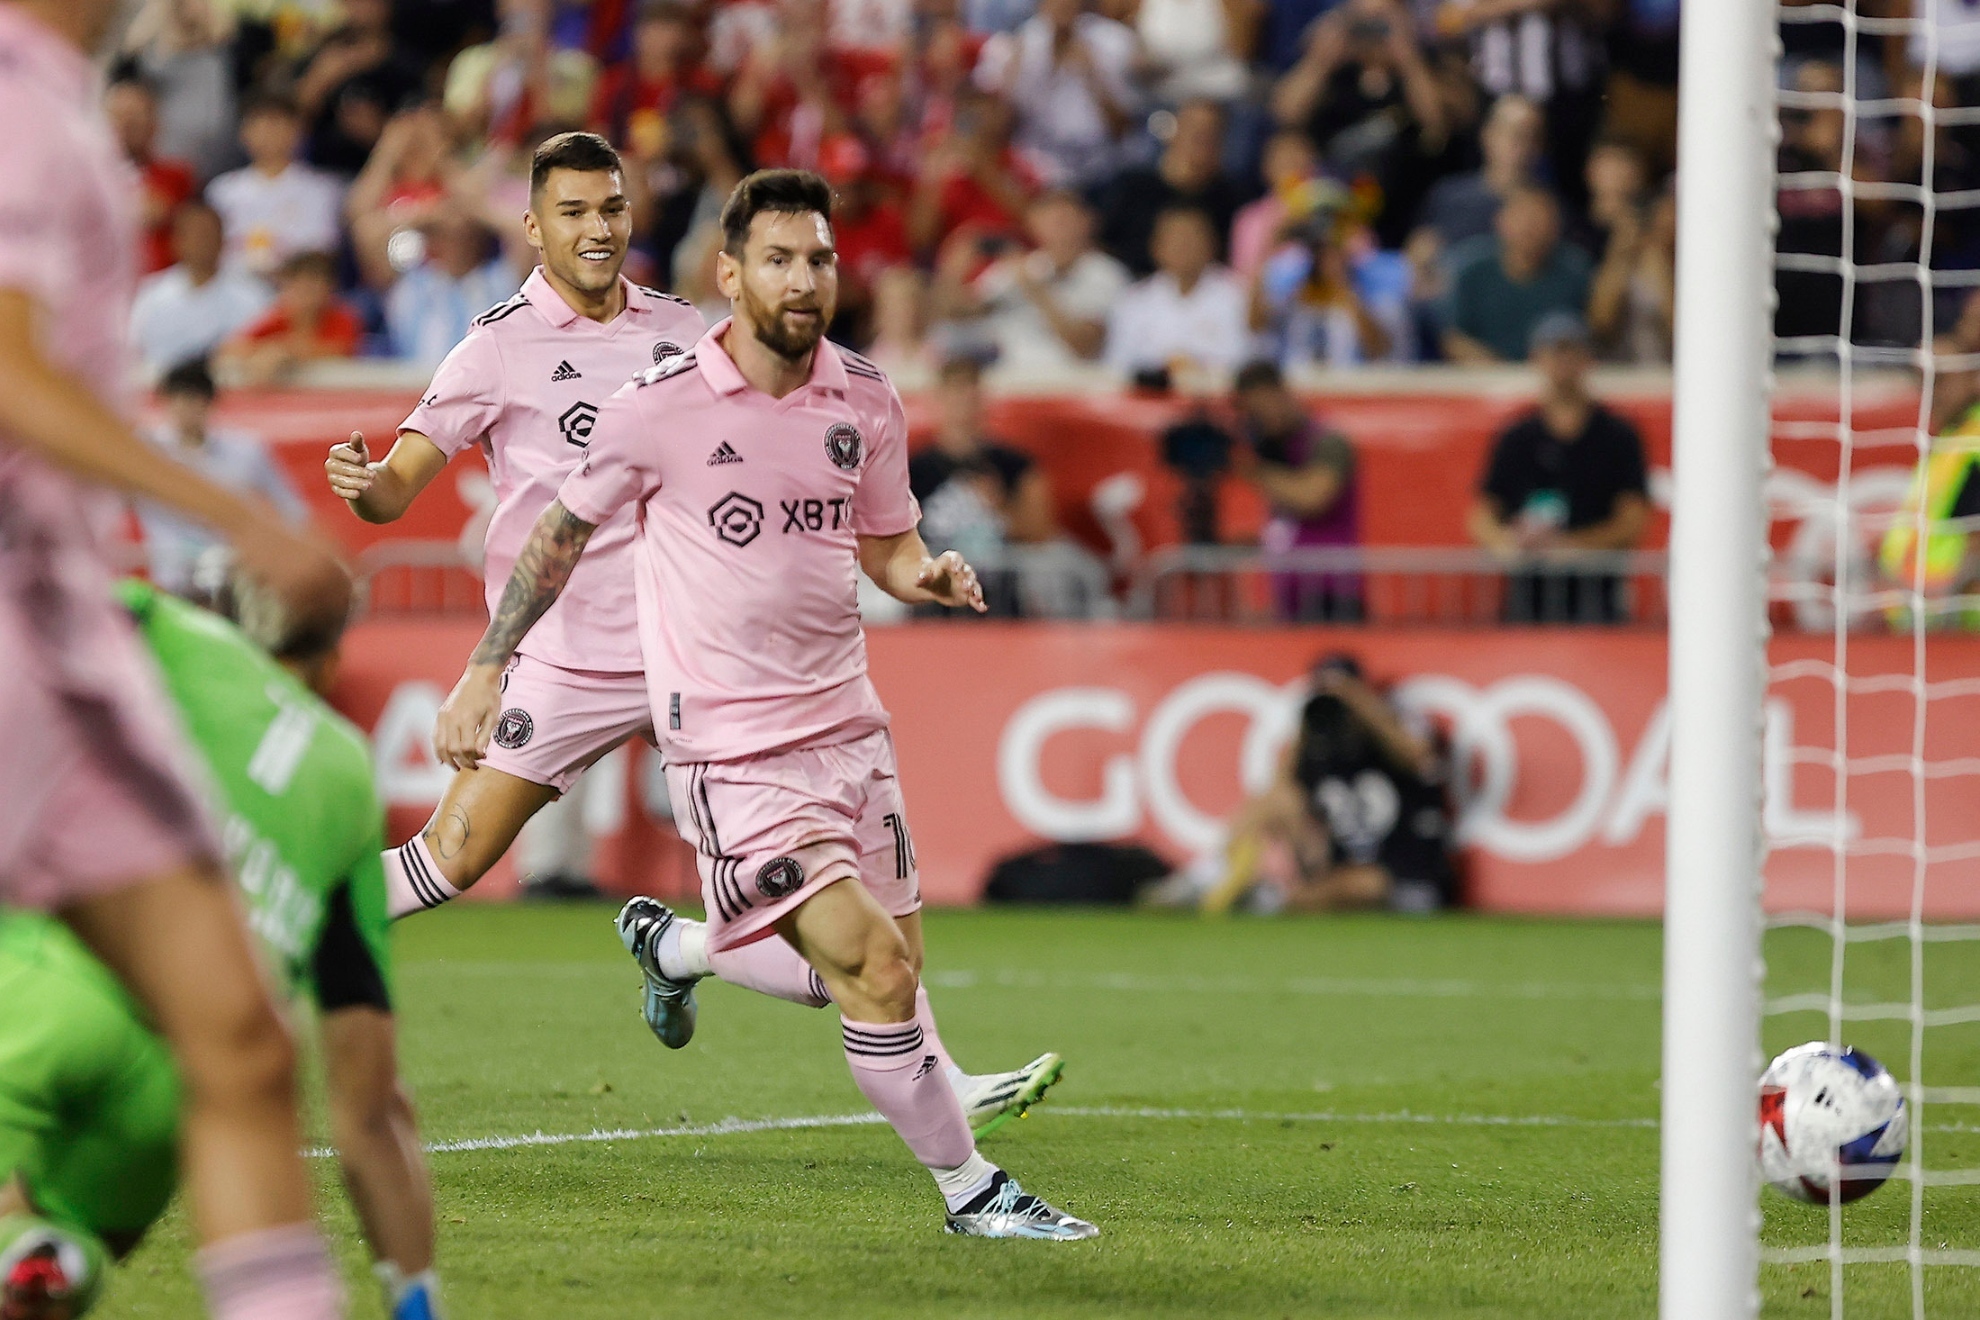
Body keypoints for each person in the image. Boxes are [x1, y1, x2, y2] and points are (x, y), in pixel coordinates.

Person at [322, 139, 1062, 1134]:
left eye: (613, 207)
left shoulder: (685, 334)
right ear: (534, 228)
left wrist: (888, 556)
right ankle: (279, 926)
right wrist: (375, 496)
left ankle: (925, 1071)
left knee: (821, 921)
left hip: (701, 658)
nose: (598, 228)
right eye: (575, 211)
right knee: (449, 858)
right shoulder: (494, 347)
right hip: (570, 654)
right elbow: (403, 479)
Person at [0, 0, 353, 1314]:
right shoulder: (22, 111)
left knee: (243, 1040)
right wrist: (238, 513)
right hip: (26, 631)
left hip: (53, 634)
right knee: (235, 1036)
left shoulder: (55, 102)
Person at [1, 577, 444, 1320]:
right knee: (48, 1238)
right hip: (189, 1070)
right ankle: (41, 1257)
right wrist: (414, 1300)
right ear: (332, 664)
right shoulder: (348, 777)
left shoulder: (162, 631)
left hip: (50, 979)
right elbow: (372, 1109)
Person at [1194, 652, 1456, 914]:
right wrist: (1307, 726)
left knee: (1365, 884)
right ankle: (1213, 874)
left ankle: (1274, 900)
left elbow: (1423, 760)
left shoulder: (1391, 733)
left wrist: (1361, 702)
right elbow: (1279, 788)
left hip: (1401, 870)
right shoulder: (1319, 747)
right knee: (1273, 803)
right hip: (1339, 863)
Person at [1466, 312, 1651, 624]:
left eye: (1570, 350)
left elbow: (1633, 518)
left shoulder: (1617, 436)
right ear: (1536, 359)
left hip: (1597, 599)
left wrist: (1575, 549)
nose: (1562, 362)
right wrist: (1507, 546)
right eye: (1554, 351)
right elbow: (1482, 513)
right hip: (1527, 600)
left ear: (1587, 359)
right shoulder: (1517, 437)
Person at [911, 356, 1108, 618]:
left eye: (969, 395)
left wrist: (1000, 507)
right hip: (937, 588)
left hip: (1009, 585)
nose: (962, 405)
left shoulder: (1015, 465)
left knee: (1062, 567)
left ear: (982, 400)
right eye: (954, 394)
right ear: (937, 400)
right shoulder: (912, 470)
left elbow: (1041, 531)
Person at [137, 360, 310, 597]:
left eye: (193, 399)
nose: (184, 408)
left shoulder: (246, 451)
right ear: (165, 402)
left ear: (209, 402)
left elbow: (293, 510)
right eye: (176, 399)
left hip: (235, 581)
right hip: (173, 583)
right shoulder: (145, 452)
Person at [931, 189, 1128, 373]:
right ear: (1034, 224)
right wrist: (953, 273)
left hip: (1076, 383)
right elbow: (960, 314)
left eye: (1064, 219)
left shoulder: (1104, 273)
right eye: (1049, 219)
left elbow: (1085, 346)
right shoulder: (1020, 266)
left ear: (1086, 222)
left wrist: (1037, 291)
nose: (1057, 228)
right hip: (1014, 380)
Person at [1229, 360, 1362, 621]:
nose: (1261, 419)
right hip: (1289, 595)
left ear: (1280, 393)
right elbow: (1287, 526)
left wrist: (1250, 470)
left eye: (1262, 408)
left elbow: (1313, 497)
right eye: (1252, 414)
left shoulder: (1328, 442)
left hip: (1332, 597)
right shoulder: (1275, 449)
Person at [974, 0, 1140, 189]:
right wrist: (1012, 78)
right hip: (1039, 169)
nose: (1062, 5)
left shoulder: (1111, 40)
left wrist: (1091, 74)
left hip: (1100, 167)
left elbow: (1125, 126)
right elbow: (1004, 121)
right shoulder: (1024, 41)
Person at [1095, 97, 1246, 277]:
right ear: (1174, 130)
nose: (1200, 137)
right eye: (1193, 129)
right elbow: (1100, 242)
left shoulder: (1230, 198)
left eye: (1210, 132)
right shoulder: (1132, 186)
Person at [1441, 185, 1591, 364]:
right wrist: (1495, 369)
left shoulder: (1576, 270)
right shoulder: (1473, 270)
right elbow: (1454, 338)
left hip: (1556, 378)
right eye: (1522, 217)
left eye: (1538, 219)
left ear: (1557, 226)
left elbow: (1597, 336)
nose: (1529, 227)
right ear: (1500, 221)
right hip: (1488, 379)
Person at [1104, 206, 1251, 384]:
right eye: (1174, 238)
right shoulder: (1134, 301)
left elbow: (1249, 363)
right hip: (1150, 403)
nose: (1183, 246)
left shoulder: (1238, 294)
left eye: (1191, 237)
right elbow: (1118, 366)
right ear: (1156, 247)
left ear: (1212, 244)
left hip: (1218, 401)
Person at [206, 93, 346, 280]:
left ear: (297, 131)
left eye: (275, 123)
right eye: (259, 124)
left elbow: (321, 252)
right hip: (234, 292)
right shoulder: (222, 191)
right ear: (243, 133)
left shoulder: (321, 190)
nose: (268, 132)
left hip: (295, 292)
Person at [129, 200, 274, 374]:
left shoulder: (254, 297)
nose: (201, 242)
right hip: (160, 390)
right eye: (193, 234)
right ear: (176, 241)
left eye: (207, 234)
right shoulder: (148, 296)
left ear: (222, 239)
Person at [384, 213, 517, 370]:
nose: (455, 246)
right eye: (445, 237)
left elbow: (521, 235)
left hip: (486, 384)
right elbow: (374, 239)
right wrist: (427, 216)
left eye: (465, 237)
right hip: (419, 384)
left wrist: (472, 210)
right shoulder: (413, 287)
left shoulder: (498, 281)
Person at [1413, 93, 1542, 249]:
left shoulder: (1550, 210)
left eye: (1530, 135)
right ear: (1487, 135)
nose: (1518, 143)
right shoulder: (1448, 197)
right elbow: (1419, 250)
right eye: (1509, 131)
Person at [216, 251, 365, 385]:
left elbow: (340, 350)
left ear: (330, 287)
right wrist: (266, 352)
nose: (306, 292)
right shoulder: (279, 317)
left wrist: (286, 351)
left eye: (313, 283)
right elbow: (230, 348)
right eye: (298, 283)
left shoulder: (344, 317)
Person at [104, 73, 196, 276]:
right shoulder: (90, 176)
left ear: (155, 124)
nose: (126, 125)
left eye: (135, 116)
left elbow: (153, 212)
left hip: (161, 287)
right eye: (119, 116)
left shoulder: (176, 173)